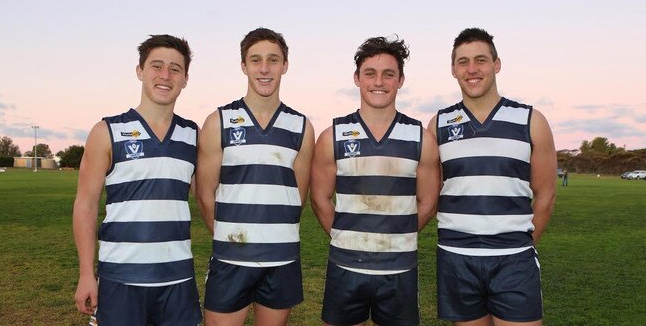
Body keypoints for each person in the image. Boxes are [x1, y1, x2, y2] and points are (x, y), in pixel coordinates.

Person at [427, 27, 557, 326]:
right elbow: (430, 194)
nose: (472, 69)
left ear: (496, 64)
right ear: (453, 70)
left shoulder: (531, 120)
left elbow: (546, 194)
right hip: (457, 255)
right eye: (463, 62)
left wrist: (519, 243)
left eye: (481, 60)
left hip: (514, 258)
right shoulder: (439, 124)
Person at [310, 36, 441, 326]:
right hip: (345, 266)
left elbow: (429, 202)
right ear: (357, 78)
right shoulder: (332, 136)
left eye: (388, 74)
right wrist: (346, 237)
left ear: (400, 80)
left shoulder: (422, 138)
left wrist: (396, 235)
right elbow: (319, 199)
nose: (378, 81)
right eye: (370, 73)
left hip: (399, 269)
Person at [73, 34, 202, 325]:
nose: (165, 75)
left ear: (185, 79)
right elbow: (86, 204)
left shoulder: (194, 135)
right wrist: (85, 274)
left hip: (177, 279)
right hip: (120, 278)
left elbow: (208, 195)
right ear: (140, 71)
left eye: (175, 69)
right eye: (156, 66)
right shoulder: (107, 131)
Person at [196, 27, 315, 326]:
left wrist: (271, 234)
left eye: (273, 60)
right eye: (256, 60)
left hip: (281, 259)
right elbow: (204, 194)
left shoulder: (301, 127)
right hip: (231, 258)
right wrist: (232, 238)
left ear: (285, 65)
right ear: (243, 66)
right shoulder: (218, 122)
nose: (264, 68)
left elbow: (297, 196)